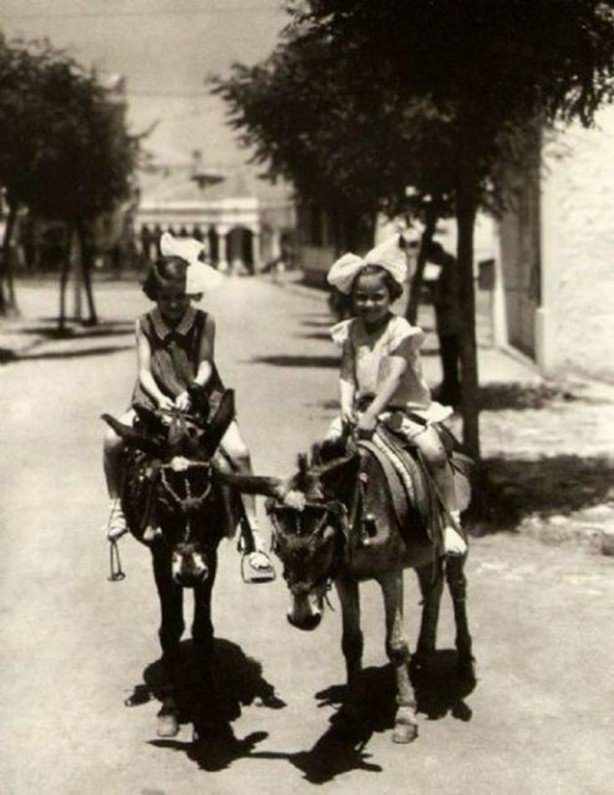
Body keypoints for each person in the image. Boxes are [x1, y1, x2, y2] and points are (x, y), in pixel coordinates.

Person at [103, 232, 275, 582]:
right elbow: (144, 370)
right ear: (155, 294)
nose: (173, 304)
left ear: (191, 293)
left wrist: (193, 388)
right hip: (154, 399)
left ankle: (253, 534)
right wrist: (161, 397)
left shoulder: (204, 321)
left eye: (180, 297)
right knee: (111, 439)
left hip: (200, 399)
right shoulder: (144, 323)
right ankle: (117, 505)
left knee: (238, 452)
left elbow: (207, 363)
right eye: (165, 297)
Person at [325, 236, 467, 557]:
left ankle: (449, 520)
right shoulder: (351, 331)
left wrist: (373, 413)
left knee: (432, 452)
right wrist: (346, 405)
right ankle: (331, 519)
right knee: (329, 449)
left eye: (377, 297)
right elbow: (347, 372)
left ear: (392, 297)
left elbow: (394, 376)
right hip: (363, 409)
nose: (369, 304)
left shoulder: (400, 331)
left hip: (403, 409)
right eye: (361, 298)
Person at [427, 241, 462, 407]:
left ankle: (452, 395)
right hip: (447, 323)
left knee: (451, 361)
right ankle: (450, 391)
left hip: (452, 323)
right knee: (448, 362)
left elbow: (452, 296)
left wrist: (436, 298)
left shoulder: (450, 267)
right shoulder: (447, 266)